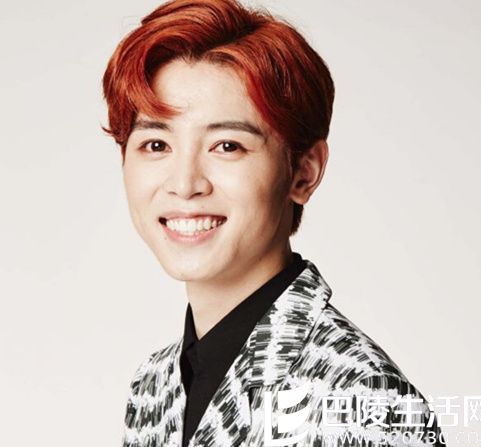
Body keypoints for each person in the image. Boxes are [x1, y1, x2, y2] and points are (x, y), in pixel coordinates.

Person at [102, 0, 444, 446]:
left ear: (304, 172)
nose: (184, 184)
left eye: (227, 146)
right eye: (155, 145)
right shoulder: (154, 384)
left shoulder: (360, 398)